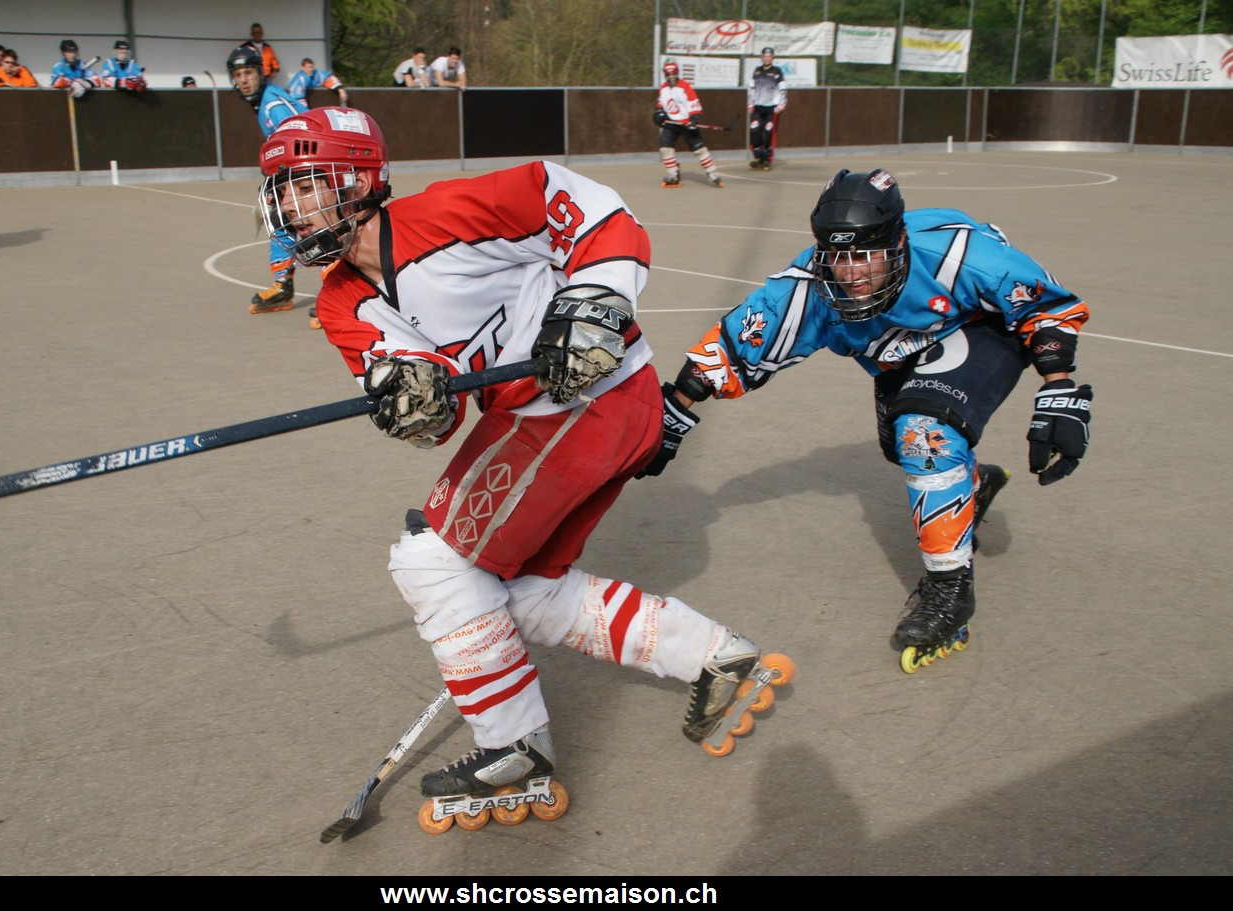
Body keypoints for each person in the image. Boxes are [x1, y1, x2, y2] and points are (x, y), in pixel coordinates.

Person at [255, 106, 792, 814]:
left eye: (303, 184)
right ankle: (712, 655)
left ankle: (514, 745)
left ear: (356, 180)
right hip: (545, 417)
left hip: (589, 399)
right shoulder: (339, 305)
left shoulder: (446, 213)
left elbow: (590, 208)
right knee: (525, 593)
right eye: (281, 190)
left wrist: (595, 301)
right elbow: (437, 415)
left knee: (432, 564)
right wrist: (414, 405)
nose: (288, 206)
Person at [640, 168, 1094, 673]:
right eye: (837, 257)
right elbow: (732, 345)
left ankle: (950, 593)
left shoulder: (959, 254)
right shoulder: (810, 286)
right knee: (904, 448)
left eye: (864, 255)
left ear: (897, 242)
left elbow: (1046, 305)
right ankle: (971, 485)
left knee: (924, 435)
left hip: (978, 327)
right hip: (903, 355)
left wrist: (1058, 388)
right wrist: (672, 410)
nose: (850, 273)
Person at [228, 45, 306, 314]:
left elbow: (299, 137)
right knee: (278, 218)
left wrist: (283, 183)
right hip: (296, 171)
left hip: (313, 169)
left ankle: (341, 296)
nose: (244, 80)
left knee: (319, 225)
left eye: (248, 73)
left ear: (260, 73)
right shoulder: (263, 102)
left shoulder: (272, 103)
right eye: (238, 75)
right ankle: (282, 287)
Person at [653, 60, 722, 189]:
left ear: (677, 73)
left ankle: (711, 172)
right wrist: (658, 113)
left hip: (686, 122)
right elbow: (660, 104)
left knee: (699, 150)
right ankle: (673, 174)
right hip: (671, 122)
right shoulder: (663, 88)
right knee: (665, 148)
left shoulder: (685, 86)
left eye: (673, 73)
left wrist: (694, 118)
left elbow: (693, 102)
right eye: (668, 74)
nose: (671, 76)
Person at [745, 47, 787, 171]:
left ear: (772, 57)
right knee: (755, 131)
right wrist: (750, 104)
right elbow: (751, 88)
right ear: (762, 57)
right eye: (764, 56)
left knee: (768, 131)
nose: (767, 58)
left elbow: (783, 89)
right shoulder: (757, 71)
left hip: (771, 108)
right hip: (758, 107)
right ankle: (758, 157)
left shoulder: (777, 71)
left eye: (769, 56)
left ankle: (767, 158)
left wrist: (781, 105)